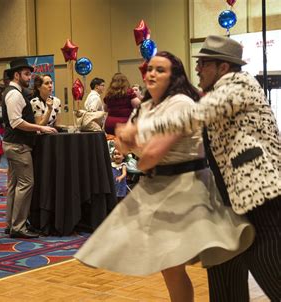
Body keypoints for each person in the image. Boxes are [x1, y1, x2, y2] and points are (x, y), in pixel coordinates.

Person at [75, 51, 255, 302]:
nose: (152, 74)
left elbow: (150, 155)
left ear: (174, 77)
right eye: (150, 69)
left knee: (182, 262)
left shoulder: (180, 103)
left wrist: (133, 142)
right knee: (170, 267)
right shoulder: (146, 106)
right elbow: (122, 147)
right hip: (156, 186)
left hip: (183, 189)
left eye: (160, 70)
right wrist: (130, 143)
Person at [133, 36, 281, 301]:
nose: (198, 69)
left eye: (203, 63)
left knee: (266, 260)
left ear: (222, 68)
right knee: (224, 264)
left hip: (259, 192)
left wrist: (138, 129)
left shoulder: (237, 84)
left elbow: (192, 116)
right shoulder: (219, 90)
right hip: (231, 197)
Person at [2, 58, 57, 239]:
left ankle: (11, 224)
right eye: (26, 74)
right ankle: (18, 226)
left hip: (14, 144)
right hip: (18, 145)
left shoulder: (14, 92)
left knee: (14, 185)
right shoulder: (14, 94)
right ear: (16, 75)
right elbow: (16, 122)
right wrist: (40, 127)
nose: (29, 77)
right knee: (26, 184)